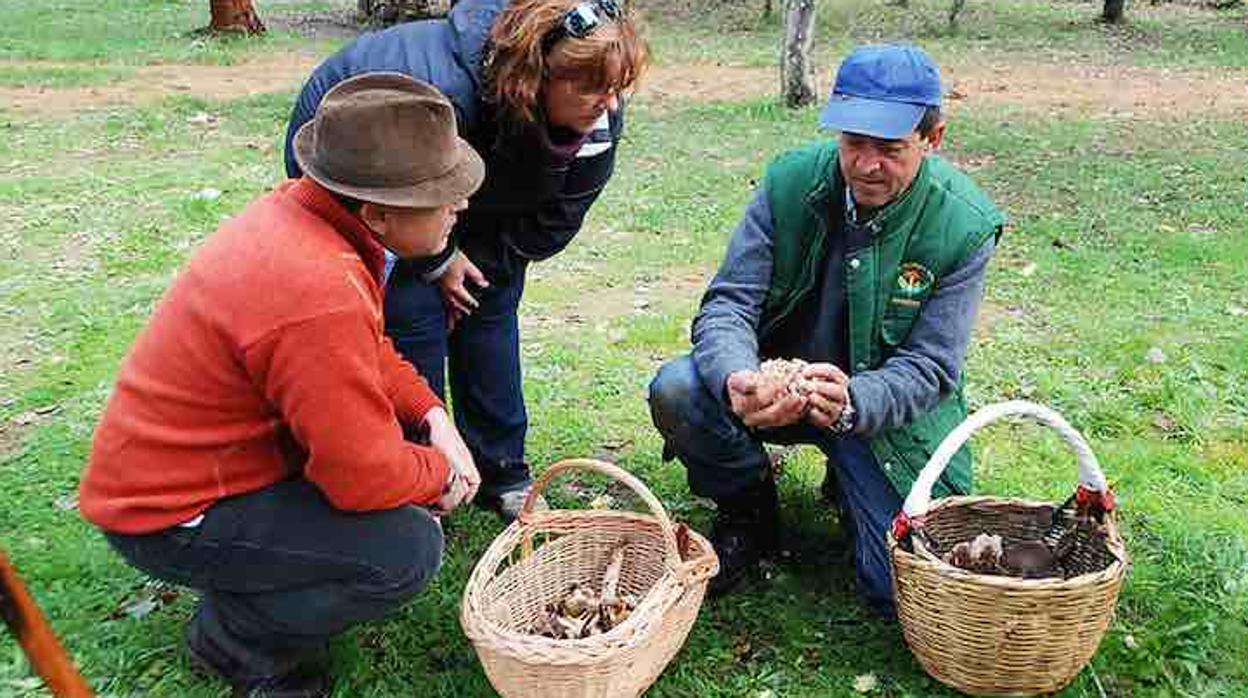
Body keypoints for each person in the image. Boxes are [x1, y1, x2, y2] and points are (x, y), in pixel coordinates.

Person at [79, 73, 485, 698]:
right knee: (405, 548)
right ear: (376, 213)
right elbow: (361, 478)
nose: (459, 205)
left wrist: (434, 417)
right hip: (166, 512)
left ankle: (255, 575)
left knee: (396, 498)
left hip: (195, 474)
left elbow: (367, 350)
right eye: (443, 194)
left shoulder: (307, 223)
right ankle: (235, 639)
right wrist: (442, 476)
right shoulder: (316, 288)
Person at [647, 45, 1004, 614]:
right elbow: (728, 305)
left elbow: (932, 368)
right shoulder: (790, 183)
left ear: (933, 138)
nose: (867, 165)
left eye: (890, 149)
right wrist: (739, 376)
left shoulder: (964, 224)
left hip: (879, 415)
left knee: (900, 592)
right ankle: (747, 511)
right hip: (778, 389)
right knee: (680, 388)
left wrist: (855, 402)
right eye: (853, 144)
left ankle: (852, 480)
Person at [283, 0, 648, 520]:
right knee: (413, 317)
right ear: (535, 76)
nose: (608, 104)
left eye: (617, 88)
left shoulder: (597, 110)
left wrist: (473, 266)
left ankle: (503, 472)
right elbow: (394, 208)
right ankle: (424, 478)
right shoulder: (443, 95)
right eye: (591, 89)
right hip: (365, 163)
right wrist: (438, 262)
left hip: (472, 185)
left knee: (489, 303)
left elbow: (555, 219)